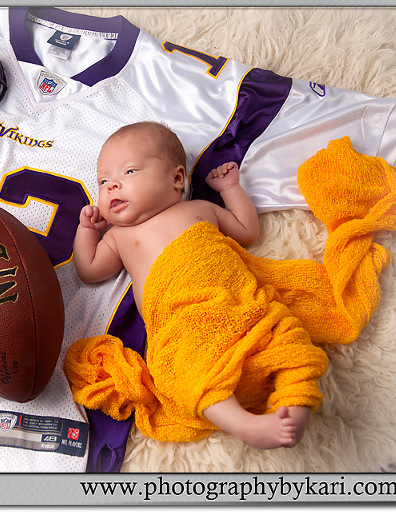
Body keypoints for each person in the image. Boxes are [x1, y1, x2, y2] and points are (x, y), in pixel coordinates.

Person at [73, 121, 310, 449]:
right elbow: (88, 270)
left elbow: (246, 231)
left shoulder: (199, 209)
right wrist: (87, 230)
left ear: (177, 179)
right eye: (103, 181)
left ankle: (292, 415)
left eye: (128, 172)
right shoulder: (118, 237)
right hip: (182, 326)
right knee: (183, 367)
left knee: (290, 339)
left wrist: (230, 190)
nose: (112, 186)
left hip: (239, 307)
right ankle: (245, 424)